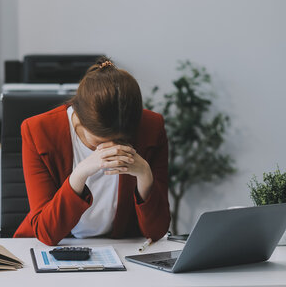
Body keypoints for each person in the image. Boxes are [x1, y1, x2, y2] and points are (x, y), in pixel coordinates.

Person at [13, 57, 171, 246]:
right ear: (78, 116)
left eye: (121, 140)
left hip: (121, 249)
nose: (112, 148)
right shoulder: (38, 131)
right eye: (100, 141)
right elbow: (47, 233)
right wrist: (79, 174)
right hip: (53, 248)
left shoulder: (151, 128)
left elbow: (157, 231)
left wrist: (145, 175)